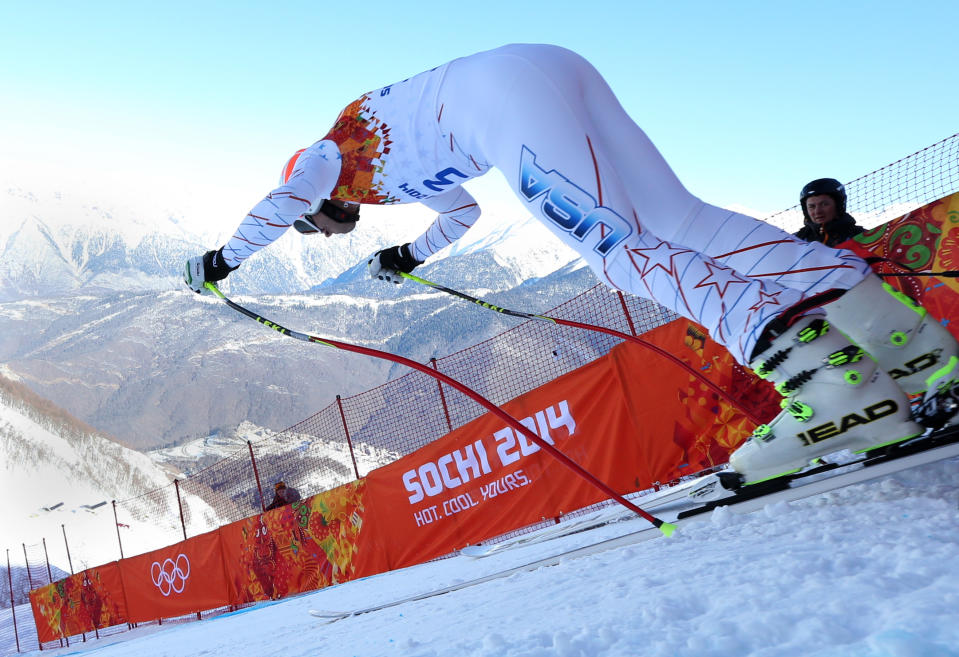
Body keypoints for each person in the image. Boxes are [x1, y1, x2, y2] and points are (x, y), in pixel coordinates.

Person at [185, 44, 957, 484]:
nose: (318, 234)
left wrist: (222, 261)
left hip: (502, 101)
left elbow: (283, 201)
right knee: (679, 219)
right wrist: (408, 252)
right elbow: (463, 212)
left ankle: (830, 388)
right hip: (544, 69)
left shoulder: (323, 158)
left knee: (622, 252)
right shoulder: (378, 174)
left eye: (316, 226)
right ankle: (911, 349)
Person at [794, 178, 865, 246]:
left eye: (824, 204)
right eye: (812, 206)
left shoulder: (862, 238)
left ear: (838, 205)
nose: (817, 211)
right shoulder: (796, 240)